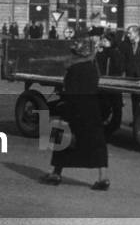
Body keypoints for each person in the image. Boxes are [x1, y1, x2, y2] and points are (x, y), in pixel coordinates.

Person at [40, 37, 110, 191]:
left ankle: (56, 173)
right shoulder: (93, 69)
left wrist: (63, 106)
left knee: (61, 139)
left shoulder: (73, 70)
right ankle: (103, 177)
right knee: (97, 144)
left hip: (74, 109)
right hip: (92, 110)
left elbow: (69, 91)